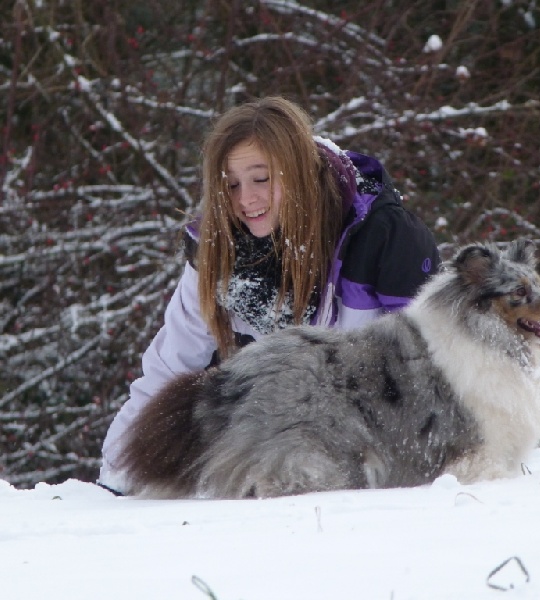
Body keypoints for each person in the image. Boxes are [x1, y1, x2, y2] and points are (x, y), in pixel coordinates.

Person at [99, 96, 440, 493]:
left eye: (261, 179)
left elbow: (431, 373)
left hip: (381, 453)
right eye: (231, 184)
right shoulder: (216, 248)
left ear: (295, 172)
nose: (246, 199)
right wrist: (115, 481)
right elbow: (167, 371)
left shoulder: (384, 237)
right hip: (270, 451)